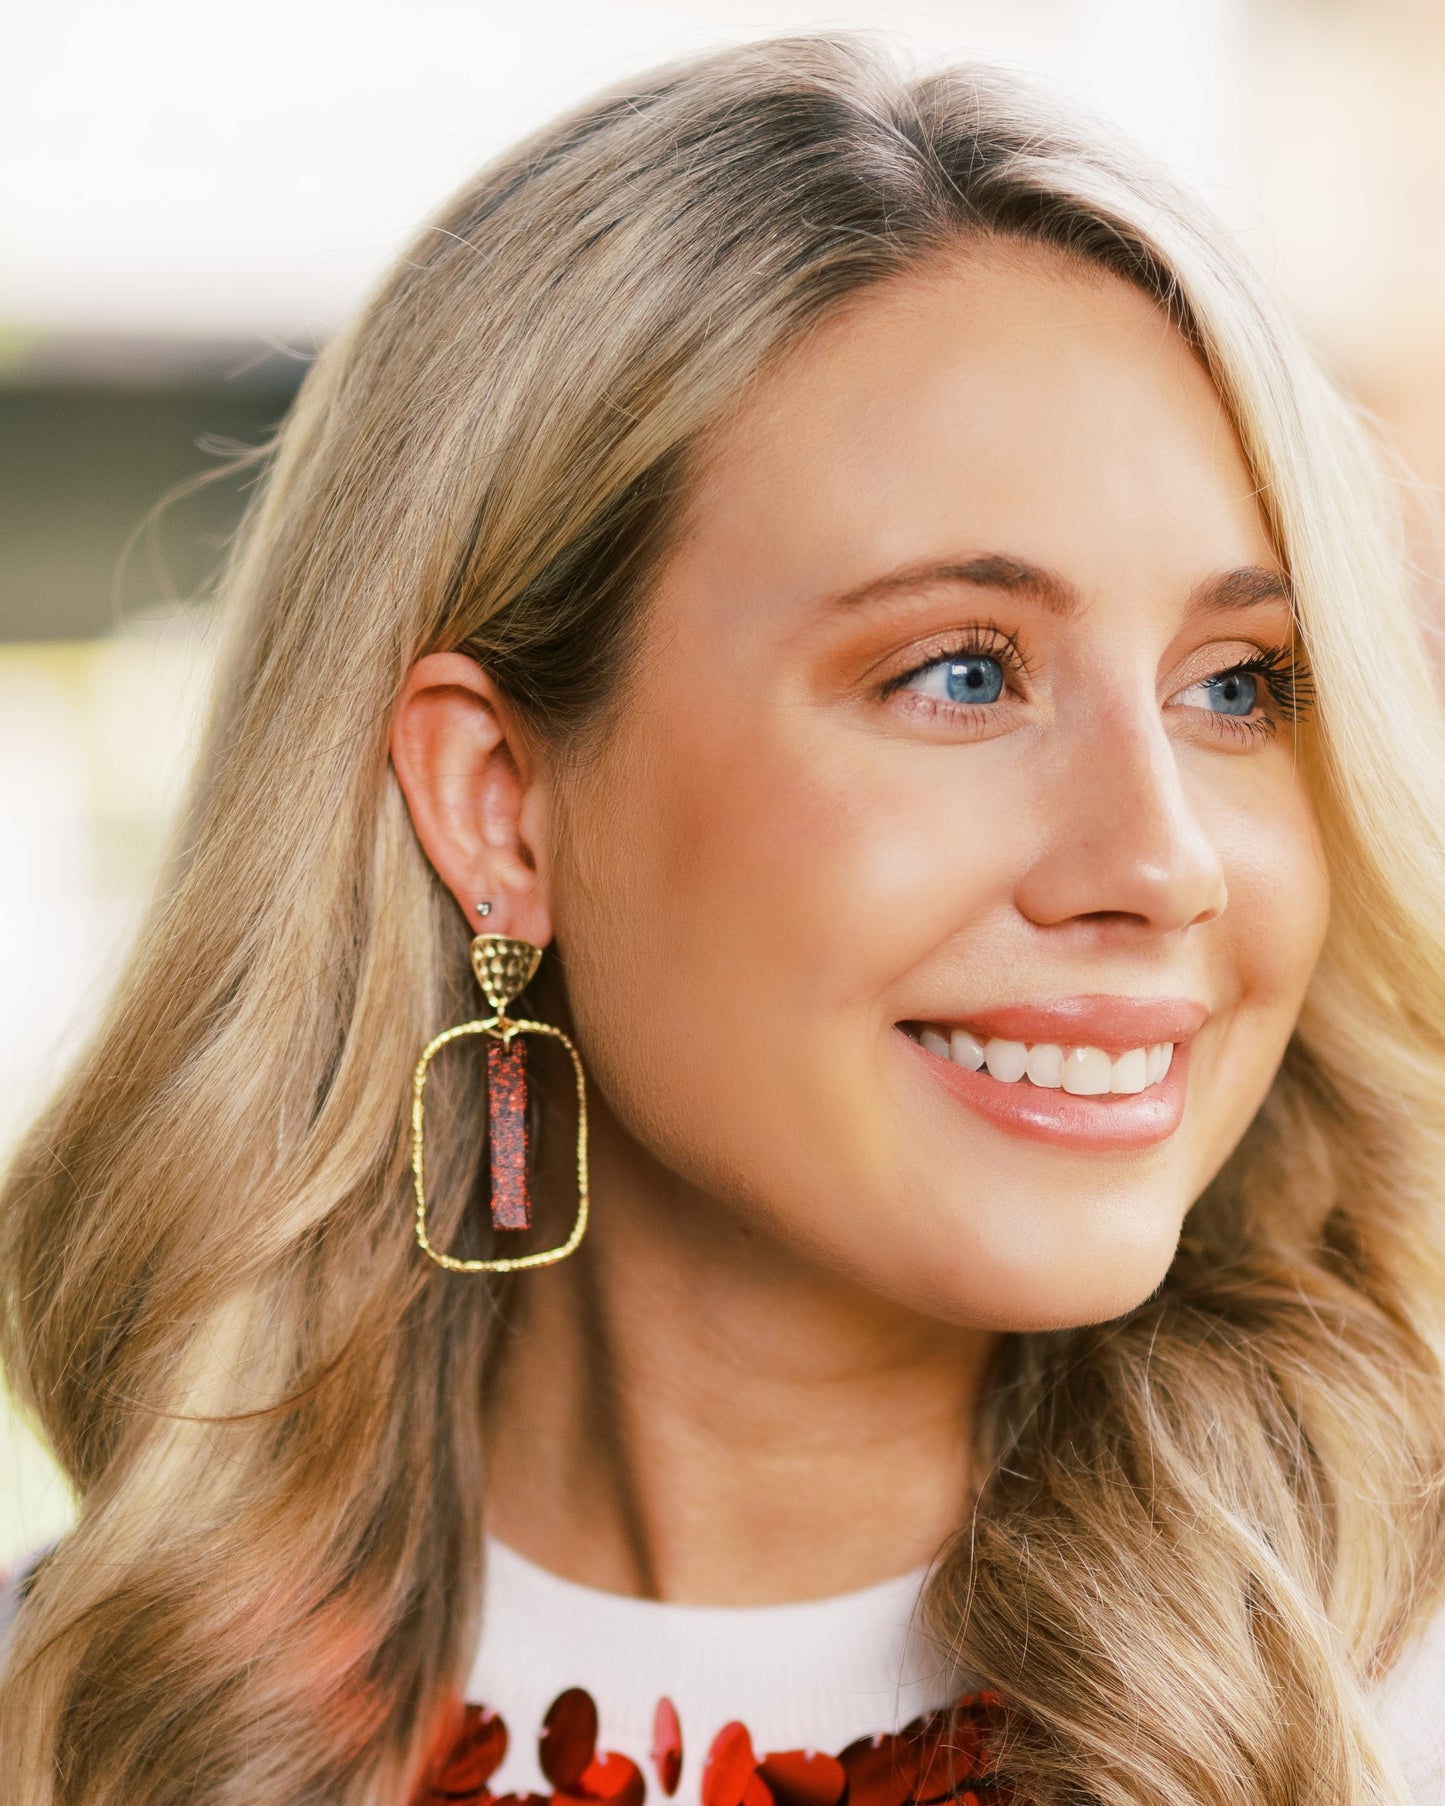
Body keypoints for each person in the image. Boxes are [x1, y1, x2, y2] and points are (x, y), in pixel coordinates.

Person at [3, 34, 1445, 1806]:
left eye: (1239, 686)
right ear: (497, 804)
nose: (1161, 862)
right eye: (962, 671)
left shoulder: (1383, 1714)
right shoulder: (76, 1720)